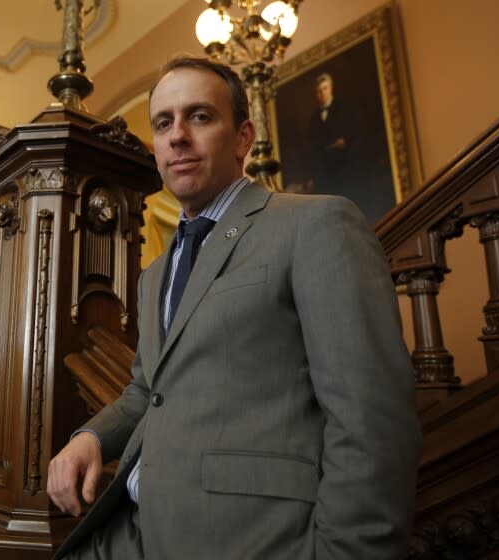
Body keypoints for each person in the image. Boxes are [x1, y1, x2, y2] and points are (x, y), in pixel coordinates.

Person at [47, 55, 421, 559]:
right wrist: (91, 437)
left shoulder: (316, 225)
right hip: (129, 531)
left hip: (248, 540)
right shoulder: (155, 272)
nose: (177, 135)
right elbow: (146, 390)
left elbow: (371, 418)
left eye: (199, 116)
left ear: (244, 138)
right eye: (163, 123)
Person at [306, 72, 355, 196]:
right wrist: (311, 176)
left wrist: (345, 141)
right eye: (319, 90)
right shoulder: (314, 118)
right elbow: (311, 149)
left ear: (331, 89)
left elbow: (354, 131)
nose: (322, 93)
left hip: (344, 165)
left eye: (325, 88)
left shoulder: (343, 108)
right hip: (324, 172)